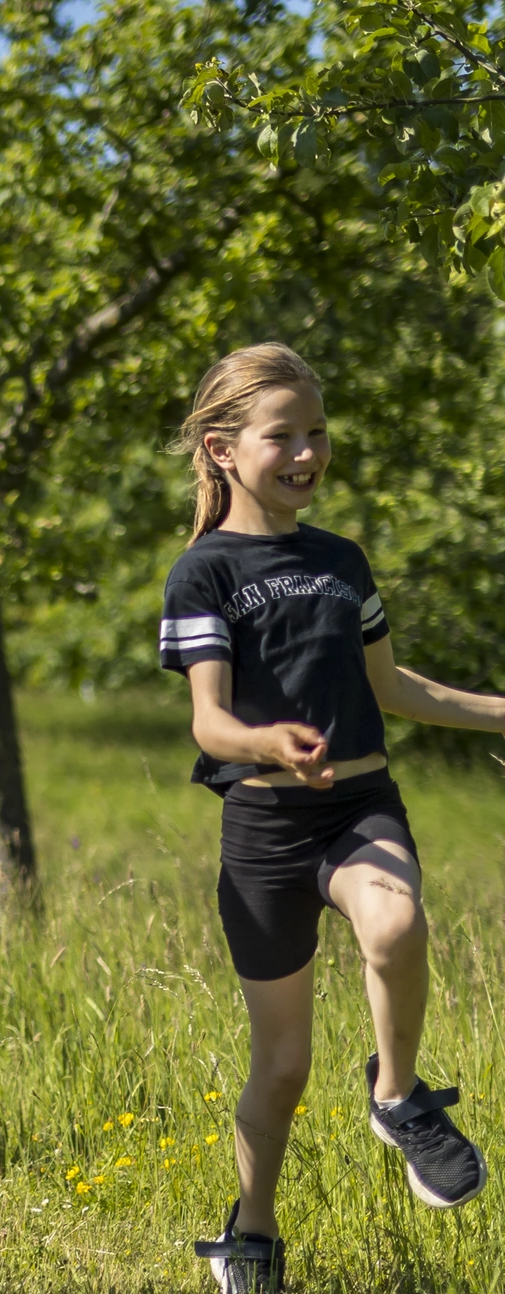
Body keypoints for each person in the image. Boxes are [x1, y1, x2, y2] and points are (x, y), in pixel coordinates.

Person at [161, 343, 497, 1293]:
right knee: (284, 1066)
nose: (308, 451)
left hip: (359, 807)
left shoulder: (343, 561)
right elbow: (209, 720)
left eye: (317, 432)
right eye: (285, 435)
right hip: (264, 834)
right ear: (225, 449)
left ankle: (398, 1095)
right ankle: (252, 1232)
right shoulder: (204, 575)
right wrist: (266, 745)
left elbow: (396, 689)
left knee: (396, 922)